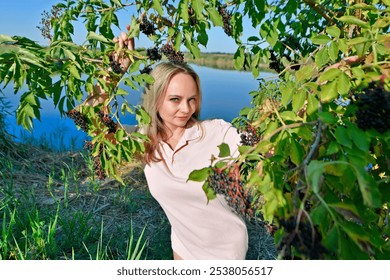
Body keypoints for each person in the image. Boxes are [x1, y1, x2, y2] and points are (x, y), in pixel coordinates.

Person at [86, 28, 248, 260]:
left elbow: (261, 147)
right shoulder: (144, 140)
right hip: (182, 249)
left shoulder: (217, 132)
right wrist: (112, 73)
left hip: (226, 255)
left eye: (192, 99)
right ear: (156, 100)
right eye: (175, 99)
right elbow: (92, 123)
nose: (187, 109)